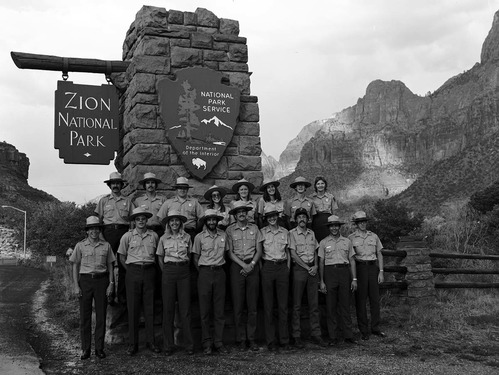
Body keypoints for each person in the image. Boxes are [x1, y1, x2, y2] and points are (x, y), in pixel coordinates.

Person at [70, 216, 115, 360]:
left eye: (97, 228)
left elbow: (110, 265)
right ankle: (85, 349)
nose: (94, 231)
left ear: (99, 230)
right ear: (87, 231)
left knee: (101, 316)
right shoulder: (80, 245)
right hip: (85, 281)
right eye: (91, 229)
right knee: (85, 316)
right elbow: (75, 264)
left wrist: (111, 284)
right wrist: (76, 285)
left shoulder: (106, 245)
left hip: (101, 281)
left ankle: (99, 348)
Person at [118, 207, 160, 356]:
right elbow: (121, 256)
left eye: (143, 219)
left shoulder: (154, 236)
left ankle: (151, 342)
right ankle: (133, 344)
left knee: (149, 308)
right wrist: (129, 270)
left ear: (147, 220)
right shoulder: (127, 236)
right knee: (133, 308)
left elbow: (158, 255)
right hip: (133, 272)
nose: (141, 221)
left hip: (149, 271)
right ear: (134, 221)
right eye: (138, 219)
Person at [226, 200, 263, 351]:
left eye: (243, 211)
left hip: (252, 265)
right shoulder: (229, 230)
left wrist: (251, 265)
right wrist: (243, 266)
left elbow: (259, 250)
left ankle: (252, 338)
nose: (241, 214)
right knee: (238, 305)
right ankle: (240, 338)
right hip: (237, 267)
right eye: (238, 212)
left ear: (247, 213)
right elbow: (229, 252)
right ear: (234, 215)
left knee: (252, 305)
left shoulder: (255, 228)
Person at [94, 172, 133, 315]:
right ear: (110, 185)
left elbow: (132, 221)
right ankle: (108, 295)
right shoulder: (103, 201)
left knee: (123, 265)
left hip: (123, 233)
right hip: (108, 233)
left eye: (118, 183)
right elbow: (99, 221)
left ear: (121, 185)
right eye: (113, 183)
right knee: (107, 265)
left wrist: (131, 235)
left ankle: (122, 297)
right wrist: (101, 237)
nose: (115, 186)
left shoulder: (128, 201)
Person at [156, 210, 194, 356]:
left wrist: (182, 267)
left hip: (184, 272)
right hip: (169, 272)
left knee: (185, 309)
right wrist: (166, 271)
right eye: (171, 221)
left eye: (177, 220)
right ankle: (168, 345)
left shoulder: (187, 237)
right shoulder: (163, 238)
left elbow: (189, 255)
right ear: (168, 223)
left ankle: (189, 345)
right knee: (168, 309)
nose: (174, 223)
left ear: (181, 222)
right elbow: (160, 257)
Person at [192, 209, 229, 355]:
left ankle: (219, 342)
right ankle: (206, 342)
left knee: (219, 310)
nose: (212, 222)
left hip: (220, 272)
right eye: (209, 220)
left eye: (214, 219)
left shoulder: (224, 235)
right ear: (206, 222)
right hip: (205, 273)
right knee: (204, 311)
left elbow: (225, 252)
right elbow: (195, 257)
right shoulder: (199, 237)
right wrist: (203, 272)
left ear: (217, 221)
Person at [288, 207, 325, 348]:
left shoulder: (311, 233)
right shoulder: (292, 234)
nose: (302, 219)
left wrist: (315, 265)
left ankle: (316, 334)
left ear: (307, 219)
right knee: (297, 304)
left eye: (304, 217)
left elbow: (315, 251)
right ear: (296, 220)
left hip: (312, 269)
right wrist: (306, 267)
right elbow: (293, 254)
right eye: (299, 217)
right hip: (300, 269)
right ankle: (296, 336)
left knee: (314, 304)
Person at [318, 215, 357, 346]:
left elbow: (352, 260)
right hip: (330, 273)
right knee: (331, 306)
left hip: (344, 272)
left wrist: (354, 279)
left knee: (345, 305)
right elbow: (321, 262)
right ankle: (333, 336)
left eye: (336, 225)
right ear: (329, 228)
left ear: (339, 227)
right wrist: (322, 281)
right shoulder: (323, 242)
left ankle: (348, 335)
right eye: (332, 226)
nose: (334, 228)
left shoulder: (347, 242)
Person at [349, 211, 386, 341]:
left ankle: (375, 328)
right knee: (361, 300)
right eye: (360, 222)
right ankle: (363, 330)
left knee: (375, 300)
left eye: (364, 222)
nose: (363, 224)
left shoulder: (374, 236)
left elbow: (380, 253)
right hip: (360, 268)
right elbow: (351, 257)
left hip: (372, 268)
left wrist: (381, 271)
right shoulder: (351, 238)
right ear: (356, 224)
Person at [260, 206, 291, 351]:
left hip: (282, 267)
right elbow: (259, 252)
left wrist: (288, 267)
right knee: (268, 305)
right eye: (269, 216)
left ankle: (284, 340)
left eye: (274, 216)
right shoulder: (262, 233)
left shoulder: (285, 232)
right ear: (266, 218)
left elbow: (288, 251)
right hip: (268, 267)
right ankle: (271, 340)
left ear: (277, 216)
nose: (272, 218)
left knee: (283, 305)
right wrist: (263, 268)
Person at [157, 177, 204, 243]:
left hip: (190, 233)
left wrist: (196, 230)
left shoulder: (194, 202)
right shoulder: (168, 202)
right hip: (173, 234)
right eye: (180, 188)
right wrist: (168, 229)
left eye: (184, 188)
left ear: (187, 189)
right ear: (176, 189)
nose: (182, 190)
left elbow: (202, 218)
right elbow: (160, 218)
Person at [133, 172, 166, 238]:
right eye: (148, 183)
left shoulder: (163, 199)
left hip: (159, 230)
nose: (150, 185)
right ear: (144, 185)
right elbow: (134, 218)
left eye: (152, 183)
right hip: (144, 230)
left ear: (156, 185)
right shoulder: (138, 201)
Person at [311, 176, 339, 243]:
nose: (320, 185)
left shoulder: (330, 197)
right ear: (315, 186)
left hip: (328, 223)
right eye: (318, 184)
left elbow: (334, 212)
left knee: (329, 241)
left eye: (322, 183)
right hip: (316, 223)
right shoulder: (311, 198)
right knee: (318, 242)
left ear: (325, 185)